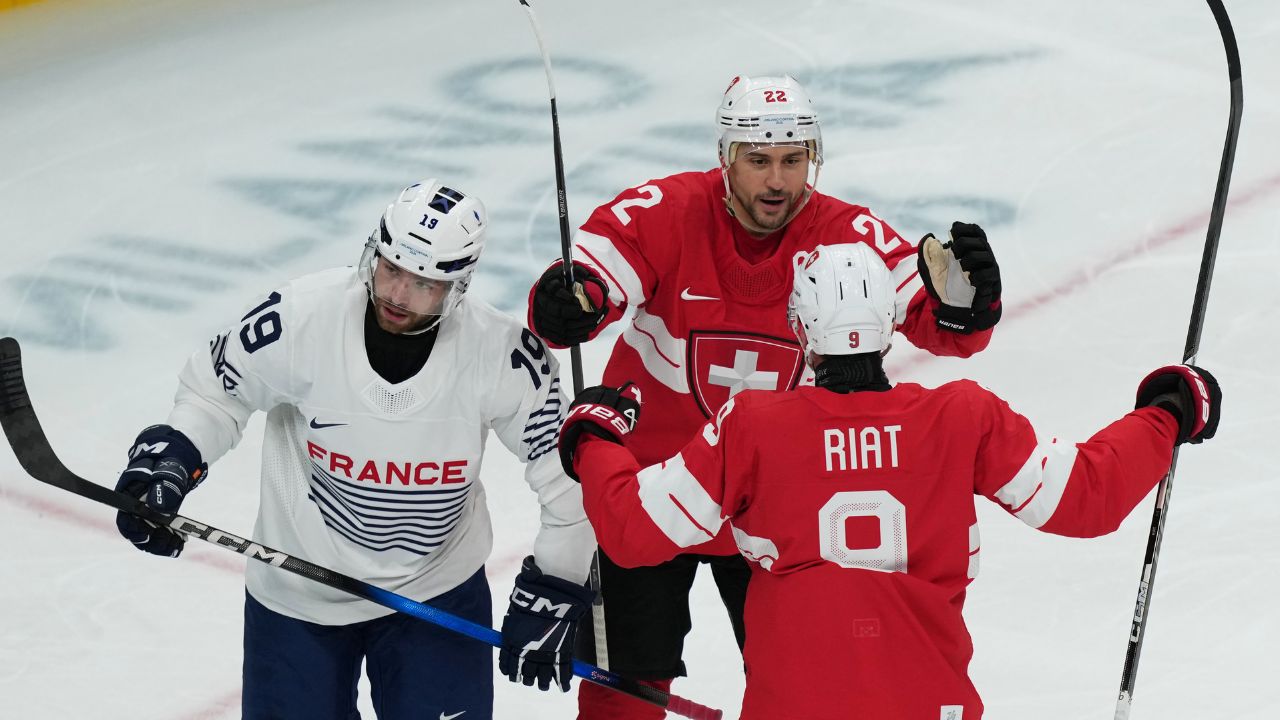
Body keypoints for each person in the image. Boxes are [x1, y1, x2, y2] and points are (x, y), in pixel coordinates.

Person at [556, 242, 1222, 719]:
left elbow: (634, 532)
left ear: (801, 329)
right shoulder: (961, 415)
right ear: (888, 327)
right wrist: (1168, 413)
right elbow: (1087, 496)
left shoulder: (755, 426)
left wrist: (594, 439)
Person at [527, 73, 1004, 717]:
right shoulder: (665, 209)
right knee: (624, 690)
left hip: (770, 506)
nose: (777, 180)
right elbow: (593, 281)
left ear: (813, 158)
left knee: (804, 685)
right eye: (758, 161)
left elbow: (931, 318)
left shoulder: (847, 233)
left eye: (792, 159)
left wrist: (967, 307)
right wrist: (568, 303)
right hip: (652, 491)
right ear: (725, 158)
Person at [112, 180, 597, 720]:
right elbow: (216, 392)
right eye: (390, 267)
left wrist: (557, 582)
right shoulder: (302, 318)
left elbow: (568, 473)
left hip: (436, 594)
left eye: (422, 283)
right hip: (298, 592)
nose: (396, 293)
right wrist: (172, 459)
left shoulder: (498, 354)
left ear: (457, 286)